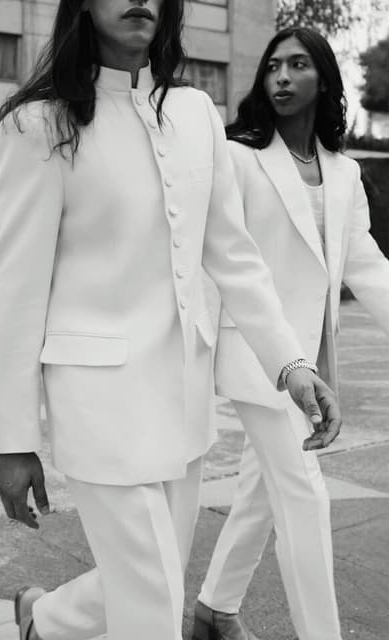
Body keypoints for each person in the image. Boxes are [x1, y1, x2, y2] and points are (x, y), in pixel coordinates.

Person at [0, 2, 341, 640]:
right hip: (97, 405)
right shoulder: (36, 125)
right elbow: (17, 292)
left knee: (154, 577)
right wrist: (15, 439)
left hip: (183, 401)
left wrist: (291, 364)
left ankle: (45, 620)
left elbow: (234, 257)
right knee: (152, 606)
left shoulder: (195, 112)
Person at [193, 27, 389, 640]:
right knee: (304, 495)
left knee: (261, 490)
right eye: (273, 65)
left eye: (298, 64)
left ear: (324, 79)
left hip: (314, 355)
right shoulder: (239, 158)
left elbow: (366, 265)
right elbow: (219, 257)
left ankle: (214, 610)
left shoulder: (345, 173)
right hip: (259, 355)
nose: (281, 76)